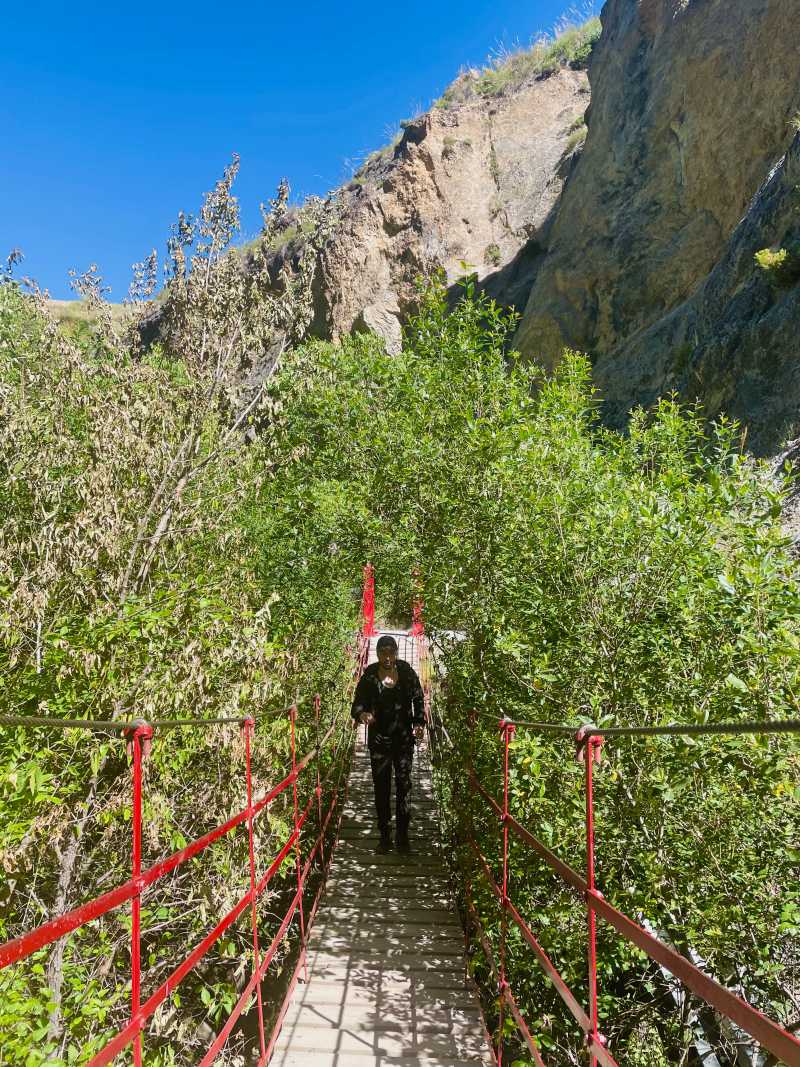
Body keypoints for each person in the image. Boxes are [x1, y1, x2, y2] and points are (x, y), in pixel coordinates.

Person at [351, 635, 425, 853]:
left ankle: (402, 837)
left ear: (396, 652)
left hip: (403, 741)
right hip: (379, 742)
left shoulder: (407, 672)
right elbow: (357, 705)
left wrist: (419, 723)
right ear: (377, 653)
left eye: (391, 651)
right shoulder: (370, 676)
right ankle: (385, 836)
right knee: (381, 789)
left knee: (404, 786)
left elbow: (418, 699)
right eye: (383, 651)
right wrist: (362, 715)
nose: (387, 656)